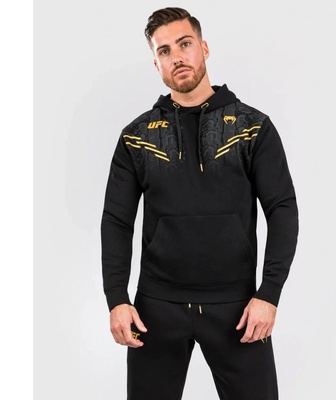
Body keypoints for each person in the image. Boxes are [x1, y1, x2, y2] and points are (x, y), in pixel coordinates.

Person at [101, 7, 299, 400]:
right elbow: (116, 221)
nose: (176, 57)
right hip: (156, 309)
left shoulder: (252, 127)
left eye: (184, 44)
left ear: (204, 48)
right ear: (156, 63)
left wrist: (269, 294)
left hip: (238, 309)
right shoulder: (136, 137)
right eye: (164, 51)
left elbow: (282, 209)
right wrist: (117, 299)